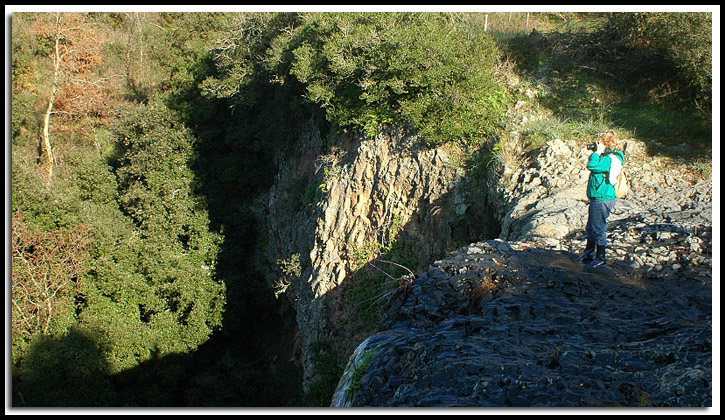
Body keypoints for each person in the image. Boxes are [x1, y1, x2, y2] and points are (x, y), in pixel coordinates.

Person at [573, 130, 625, 269]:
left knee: (598, 228)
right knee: (591, 226)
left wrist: (596, 152)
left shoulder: (610, 159)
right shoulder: (611, 156)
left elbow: (592, 165)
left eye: (600, 141)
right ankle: (588, 254)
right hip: (599, 195)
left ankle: (601, 258)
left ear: (606, 143)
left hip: (603, 197)